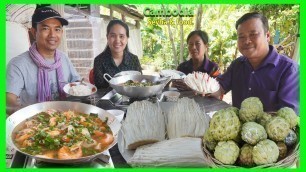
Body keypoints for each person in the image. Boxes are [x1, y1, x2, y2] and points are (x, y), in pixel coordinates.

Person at [213, 12, 299, 114]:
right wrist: (202, 87)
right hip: (235, 128)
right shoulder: (237, 64)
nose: (246, 41)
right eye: (241, 36)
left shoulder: (289, 70)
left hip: (269, 129)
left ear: (267, 36)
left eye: (253, 34)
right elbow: (219, 87)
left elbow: (288, 115)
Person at [6, 7, 80, 115]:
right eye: (46, 28)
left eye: (57, 29)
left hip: (66, 116)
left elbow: (76, 84)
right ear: (33, 31)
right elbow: (8, 101)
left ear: (62, 32)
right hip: (35, 123)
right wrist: (17, 110)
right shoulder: (17, 64)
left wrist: (82, 86)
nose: (52, 35)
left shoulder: (63, 58)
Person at [93, 20, 142, 88]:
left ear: (127, 38)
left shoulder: (134, 60)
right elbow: (99, 89)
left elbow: (140, 85)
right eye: (113, 36)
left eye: (121, 36)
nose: (117, 40)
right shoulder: (99, 61)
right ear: (107, 37)